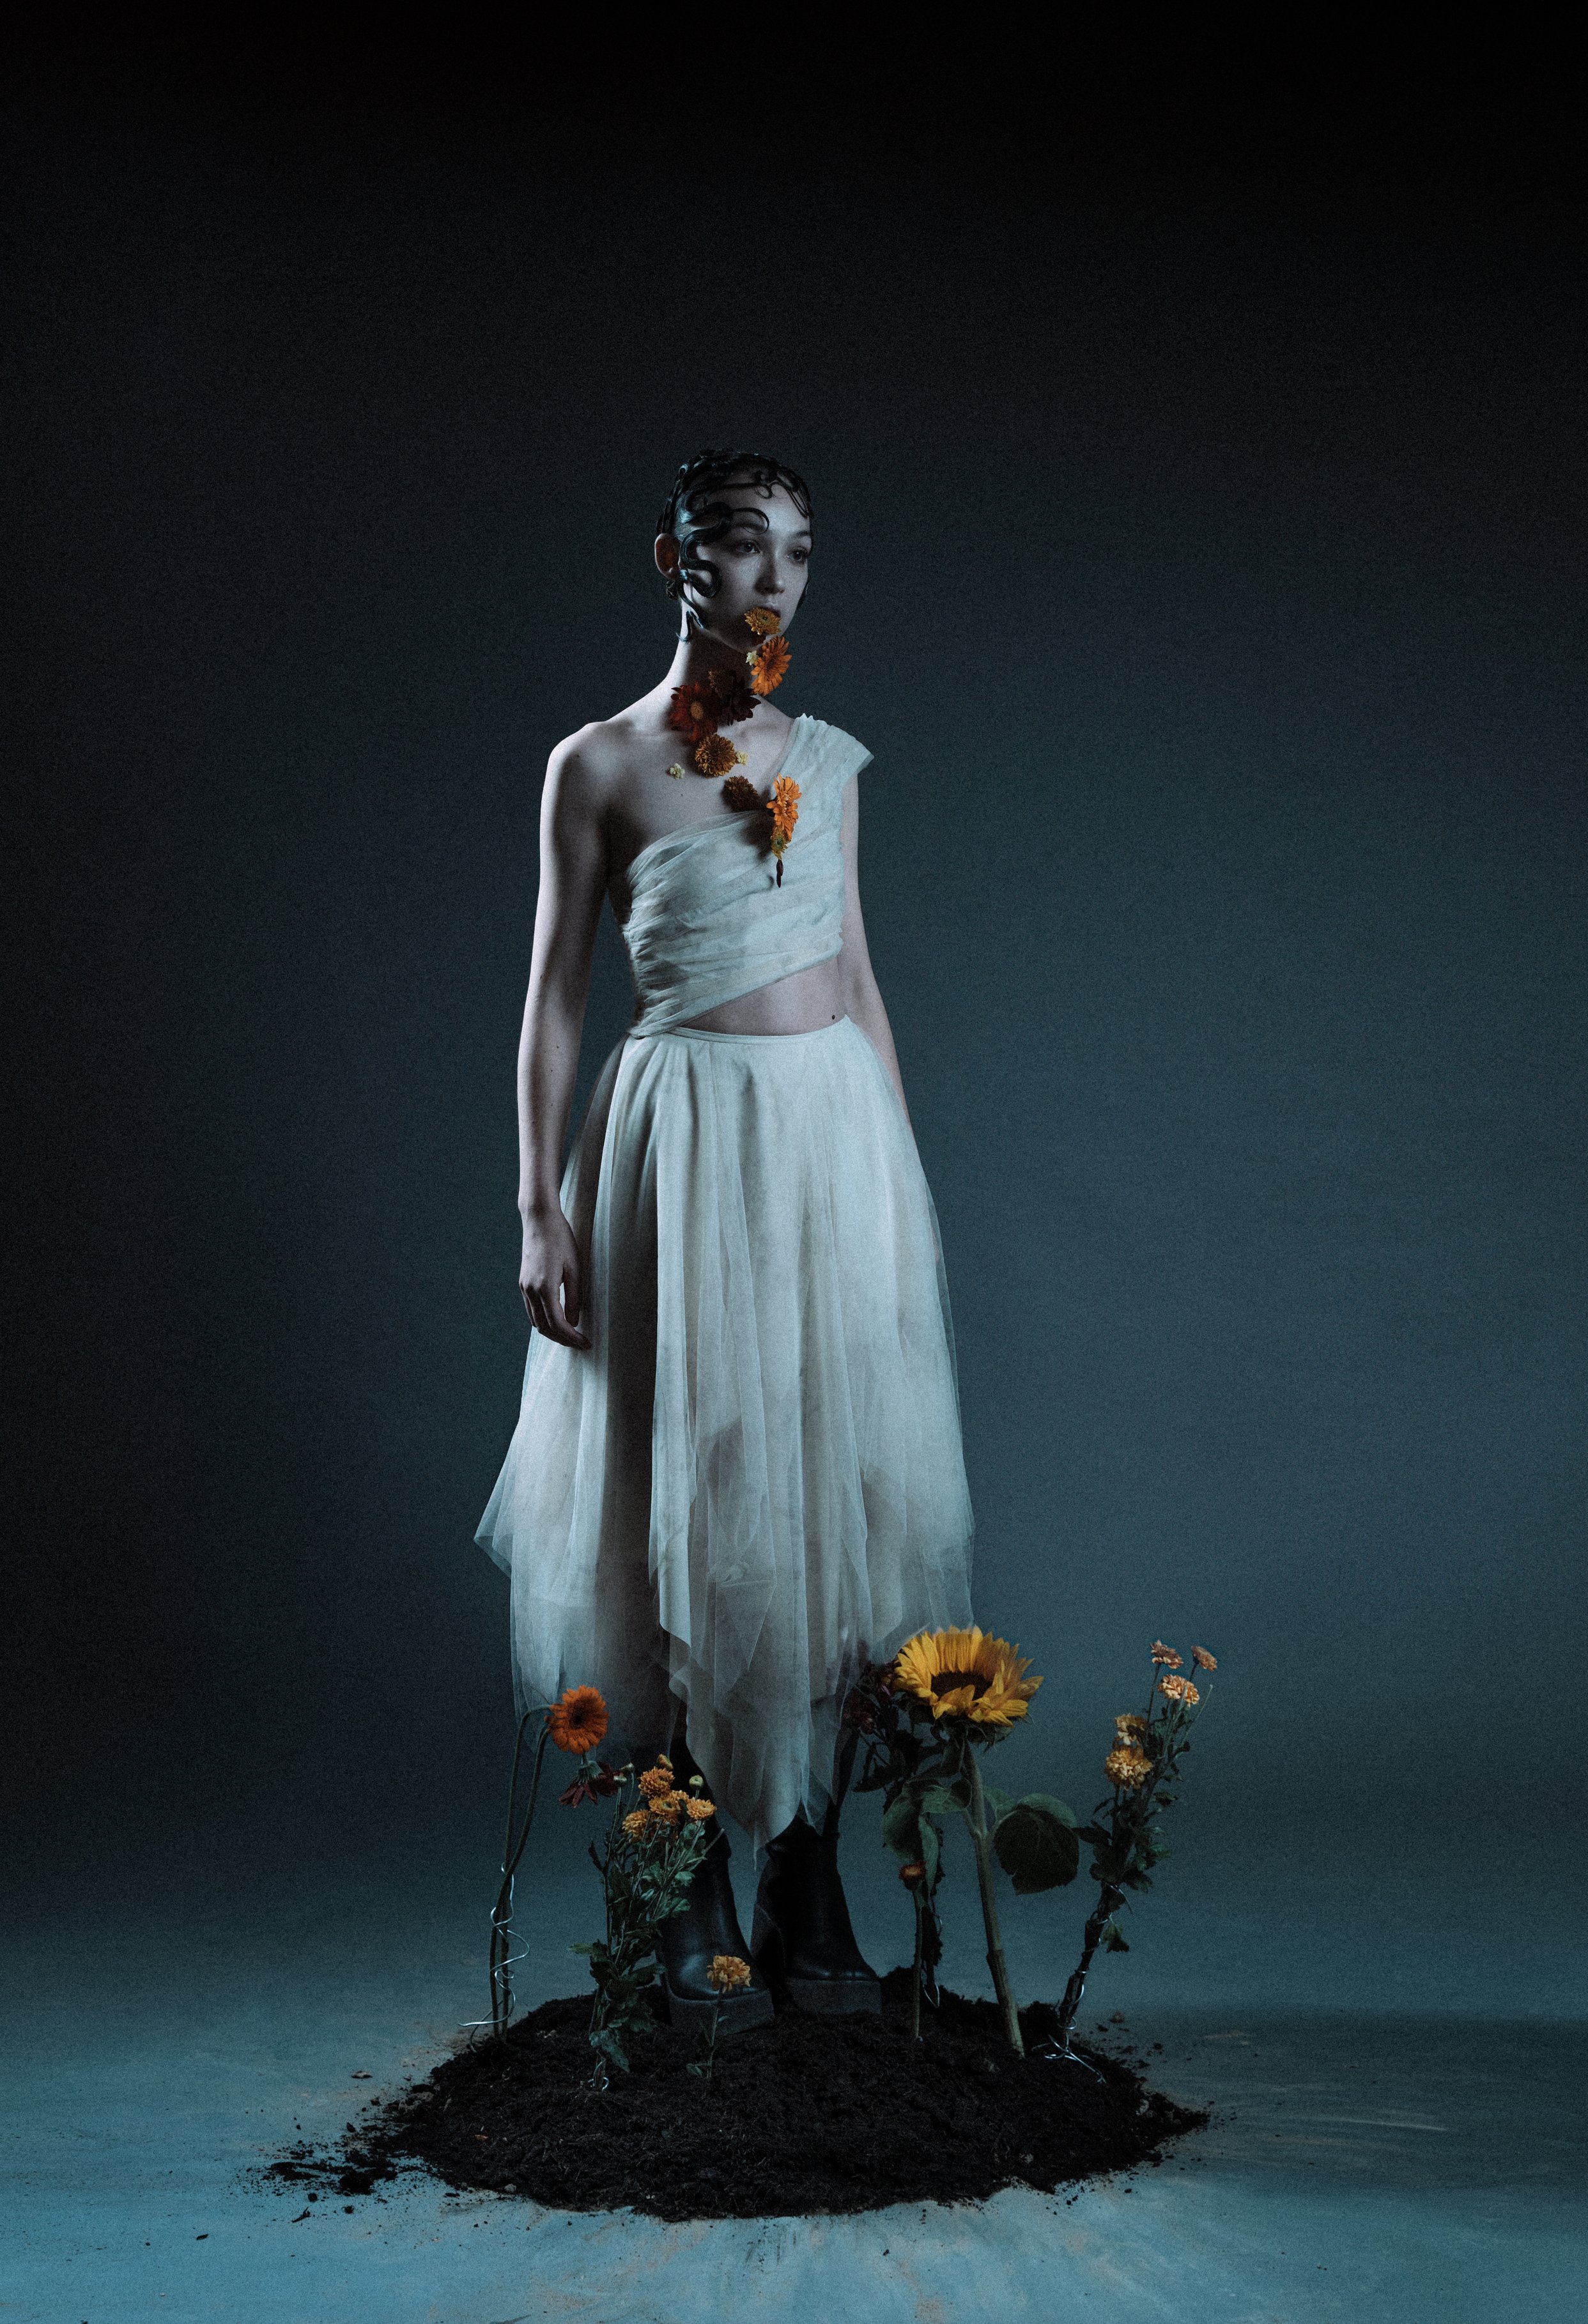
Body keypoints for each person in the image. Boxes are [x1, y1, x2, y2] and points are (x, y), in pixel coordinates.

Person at [477, 449, 973, 2030]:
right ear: (673, 558)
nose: (773, 576)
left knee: (826, 1485)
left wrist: (896, 1175)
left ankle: (804, 1874)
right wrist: (537, 1198)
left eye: (799, 551)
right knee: (675, 1482)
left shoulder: (818, 759)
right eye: (742, 545)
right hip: (680, 1143)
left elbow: (857, 972)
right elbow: (556, 991)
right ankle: (684, 1876)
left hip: (823, 1140)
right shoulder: (598, 764)